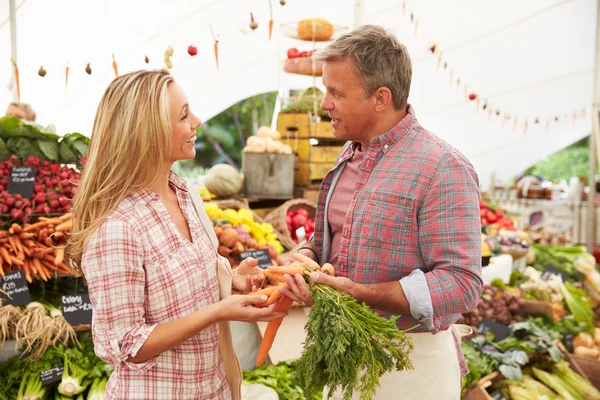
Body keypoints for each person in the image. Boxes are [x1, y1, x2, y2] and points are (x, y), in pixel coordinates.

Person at [280, 25, 483, 400]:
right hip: (341, 354)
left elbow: (463, 283)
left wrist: (362, 293)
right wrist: (306, 258)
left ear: (380, 98)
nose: (324, 103)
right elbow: (331, 240)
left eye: (336, 93)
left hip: (410, 367)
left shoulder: (442, 166)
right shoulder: (349, 154)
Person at [65, 70, 284, 400]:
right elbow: (127, 344)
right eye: (184, 115)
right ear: (148, 133)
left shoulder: (184, 194)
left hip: (212, 389)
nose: (197, 121)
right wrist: (220, 311)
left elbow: (190, 280)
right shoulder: (117, 227)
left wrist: (231, 280)